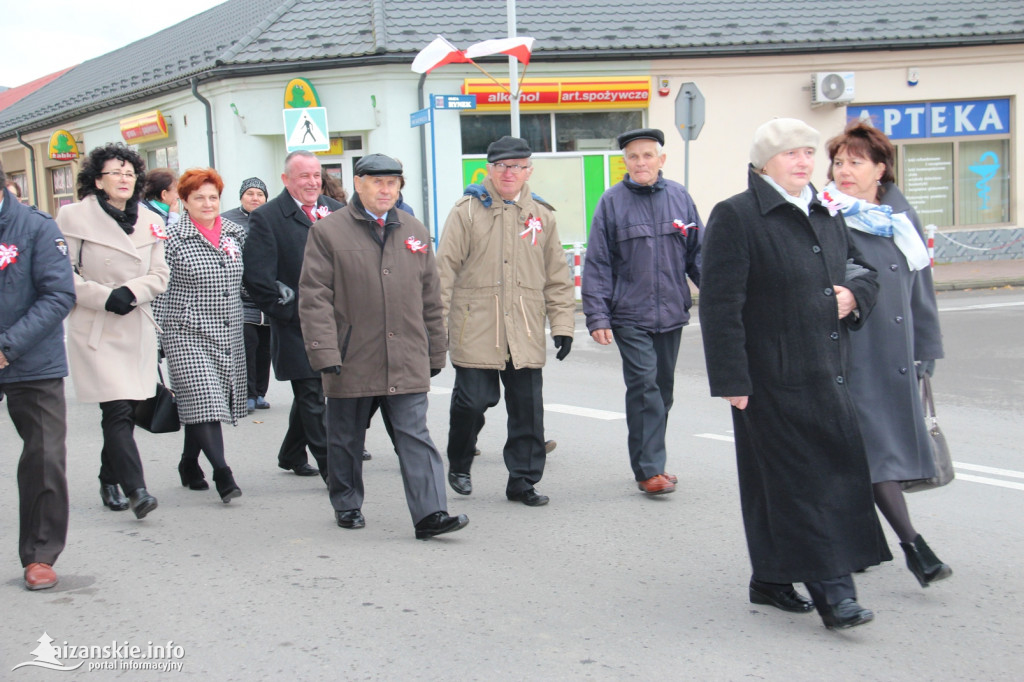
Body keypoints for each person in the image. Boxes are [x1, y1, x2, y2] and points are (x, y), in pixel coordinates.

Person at [699, 118, 891, 630]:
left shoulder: (824, 209)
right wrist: (732, 380)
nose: (805, 162)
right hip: (769, 378)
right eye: (792, 154)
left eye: (809, 152)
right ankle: (835, 593)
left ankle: (770, 578)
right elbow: (720, 305)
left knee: (772, 483)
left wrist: (855, 297)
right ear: (765, 163)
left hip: (827, 370)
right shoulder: (736, 216)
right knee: (807, 484)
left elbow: (859, 268)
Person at [298, 153, 468, 539]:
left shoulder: (414, 229)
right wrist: (325, 351)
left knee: (415, 435)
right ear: (358, 184)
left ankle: (431, 514)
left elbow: (431, 297)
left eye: (393, 182)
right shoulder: (328, 232)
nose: (386, 189)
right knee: (345, 437)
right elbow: (314, 297)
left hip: (406, 353)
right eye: (378, 182)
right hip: (352, 354)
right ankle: (346, 502)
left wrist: (434, 349)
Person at [824, 121, 952, 587]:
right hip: (854, 353)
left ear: (880, 168)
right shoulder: (827, 213)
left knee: (865, 457)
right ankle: (914, 546)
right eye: (838, 161)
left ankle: (858, 545)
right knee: (876, 453)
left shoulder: (898, 214)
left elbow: (921, 288)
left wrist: (926, 347)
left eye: (856, 162)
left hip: (896, 353)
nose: (844, 170)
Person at [435, 136, 575, 506]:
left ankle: (523, 480)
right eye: (501, 166)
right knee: (473, 401)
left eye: (517, 166)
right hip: (475, 324)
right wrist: (435, 327)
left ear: (529, 170)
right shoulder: (465, 212)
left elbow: (557, 275)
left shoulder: (541, 216)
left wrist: (562, 325)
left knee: (528, 409)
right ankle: (460, 461)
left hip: (525, 328)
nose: (509, 173)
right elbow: (443, 272)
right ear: (488, 170)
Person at [581, 128, 702, 495]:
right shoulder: (612, 202)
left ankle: (655, 463)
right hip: (629, 314)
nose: (641, 163)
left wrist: (723, 301)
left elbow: (699, 254)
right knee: (645, 386)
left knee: (663, 391)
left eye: (648, 155)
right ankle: (648, 470)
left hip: (671, 313)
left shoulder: (680, 197)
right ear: (625, 162)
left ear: (661, 160)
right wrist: (597, 316)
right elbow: (598, 262)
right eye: (633, 157)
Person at [57, 143, 168, 520]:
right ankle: (137, 489)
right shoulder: (72, 217)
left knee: (129, 407)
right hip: (97, 326)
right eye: (114, 172)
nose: (123, 179)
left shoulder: (151, 219)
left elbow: (159, 274)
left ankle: (108, 477)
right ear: (97, 180)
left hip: (136, 322)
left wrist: (131, 293)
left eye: (129, 172)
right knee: (117, 408)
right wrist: (105, 297)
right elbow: (62, 275)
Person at [243, 151, 345, 479]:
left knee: (315, 391)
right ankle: (336, 473)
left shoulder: (337, 212)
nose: (313, 182)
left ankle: (290, 453)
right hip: (296, 322)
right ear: (286, 180)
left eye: (316, 175)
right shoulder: (268, 217)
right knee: (313, 393)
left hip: (337, 321)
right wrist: (286, 313)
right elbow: (258, 277)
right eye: (304, 176)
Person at [0, 163, 75, 590]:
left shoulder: (36, 228)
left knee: (44, 457)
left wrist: (7, 347)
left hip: (32, 360)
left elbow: (59, 294)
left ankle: (40, 554)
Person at [155, 168, 246, 502]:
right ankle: (223, 473)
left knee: (202, 403)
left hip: (227, 332)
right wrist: (154, 339)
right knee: (206, 401)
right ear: (184, 201)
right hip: (185, 332)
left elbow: (248, 280)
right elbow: (158, 289)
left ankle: (189, 463)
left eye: (213, 197)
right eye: (199, 198)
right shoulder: (172, 239)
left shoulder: (234, 234)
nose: (208, 204)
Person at [222, 177, 272, 413]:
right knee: (247, 345)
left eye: (259, 194)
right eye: (250, 193)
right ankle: (247, 393)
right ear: (241, 196)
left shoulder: (272, 219)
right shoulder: (228, 221)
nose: (255, 198)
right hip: (241, 297)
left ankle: (261, 392)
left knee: (265, 347)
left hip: (269, 296)